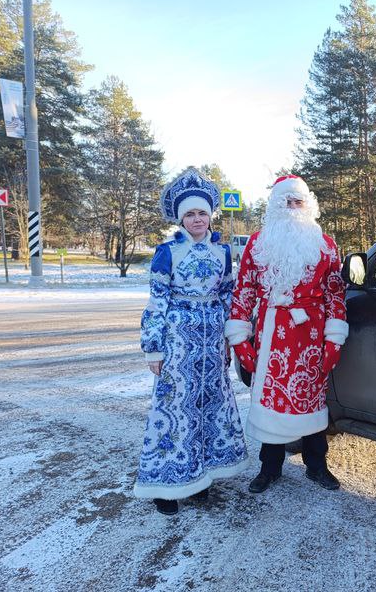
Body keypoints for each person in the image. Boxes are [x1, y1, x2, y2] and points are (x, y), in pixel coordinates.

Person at [135, 167, 249, 516]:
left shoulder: (223, 253)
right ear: (181, 218)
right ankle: (165, 486)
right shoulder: (167, 253)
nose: (197, 219)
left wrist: (231, 339)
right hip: (177, 341)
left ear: (210, 215)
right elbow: (156, 302)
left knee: (208, 407)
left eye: (202, 212)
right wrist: (153, 347)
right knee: (174, 410)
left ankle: (199, 478)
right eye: (190, 214)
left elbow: (229, 297)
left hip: (212, 342)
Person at [225, 174, 348, 494]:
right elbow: (244, 292)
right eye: (287, 203)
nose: (293, 209)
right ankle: (270, 466)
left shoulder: (326, 244)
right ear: (275, 207)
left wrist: (334, 339)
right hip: (272, 335)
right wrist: (240, 339)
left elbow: (335, 294)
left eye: (299, 202)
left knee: (311, 401)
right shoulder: (258, 242)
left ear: (308, 205)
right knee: (271, 401)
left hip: (310, 335)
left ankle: (317, 464)